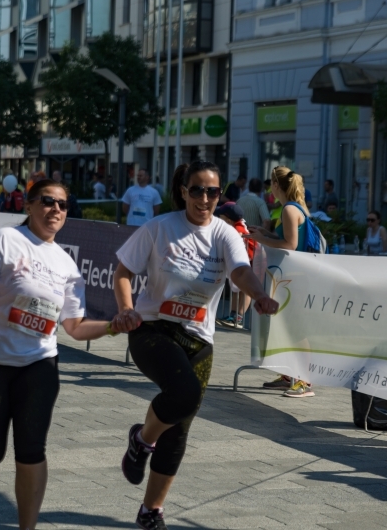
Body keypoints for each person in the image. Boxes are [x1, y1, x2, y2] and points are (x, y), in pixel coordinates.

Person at [111, 161, 278, 529]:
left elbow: (239, 271)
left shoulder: (225, 233)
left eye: (213, 192)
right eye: (198, 190)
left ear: (221, 196)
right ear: (184, 191)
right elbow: (123, 272)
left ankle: (150, 510)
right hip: (152, 329)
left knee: (179, 428)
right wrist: (125, 309)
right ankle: (141, 440)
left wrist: (259, 294)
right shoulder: (159, 228)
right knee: (183, 393)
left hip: (197, 338)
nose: (205, 199)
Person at [0, 178, 120, 530]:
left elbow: (74, 327)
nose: (56, 209)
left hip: (39, 364)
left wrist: (114, 327)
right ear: (28, 206)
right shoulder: (7, 240)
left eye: (62, 204)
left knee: (31, 450)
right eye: (47, 201)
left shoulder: (67, 266)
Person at [245, 166, 315, 397]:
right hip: (296, 275)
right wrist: (265, 235)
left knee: (297, 329)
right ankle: (290, 375)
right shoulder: (296, 208)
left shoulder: (288, 209)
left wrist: (262, 239)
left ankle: (305, 381)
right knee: (289, 327)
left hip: (295, 276)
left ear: (275, 185)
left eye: (271, 185)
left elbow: (291, 245)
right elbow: (287, 239)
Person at [215, 202, 256, 327]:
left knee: (245, 290)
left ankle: (239, 317)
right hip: (242, 263)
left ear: (227, 219)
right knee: (236, 290)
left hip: (247, 263)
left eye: (220, 216)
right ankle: (233, 315)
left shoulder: (238, 230)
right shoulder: (236, 226)